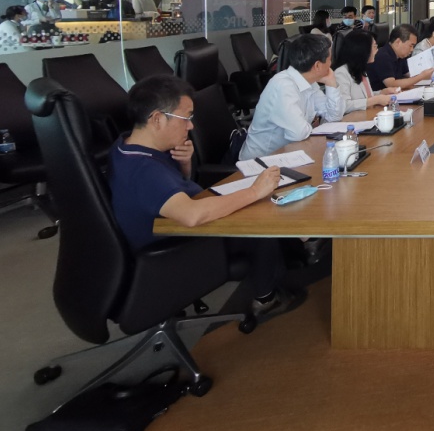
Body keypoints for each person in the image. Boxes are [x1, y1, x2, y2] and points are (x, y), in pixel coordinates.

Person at [108, 75, 303, 320]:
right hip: (169, 252)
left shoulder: (131, 146)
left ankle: (284, 267)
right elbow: (192, 214)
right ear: (157, 119)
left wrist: (184, 164)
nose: (191, 127)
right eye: (186, 118)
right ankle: (266, 299)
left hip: (168, 229)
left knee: (252, 206)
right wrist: (254, 191)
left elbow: (169, 192)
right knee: (256, 223)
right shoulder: (143, 170)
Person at [240, 32, 344, 161]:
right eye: (329, 59)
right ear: (317, 65)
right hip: (261, 162)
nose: (331, 64)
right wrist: (314, 125)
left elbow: (334, 116)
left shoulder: (309, 81)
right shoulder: (283, 85)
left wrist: (331, 84)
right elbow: (298, 133)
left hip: (289, 154)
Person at [333, 30, 394, 114]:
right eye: (374, 46)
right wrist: (376, 99)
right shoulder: (341, 73)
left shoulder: (361, 69)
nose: (377, 50)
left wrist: (382, 92)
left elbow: (365, 96)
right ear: (362, 50)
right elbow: (344, 105)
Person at [368, 24, 434, 90]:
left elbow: (410, 75)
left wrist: (431, 74)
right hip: (380, 98)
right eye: (411, 45)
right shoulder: (382, 56)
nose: (412, 50)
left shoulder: (400, 56)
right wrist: (421, 76)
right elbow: (391, 84)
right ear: (398, 42)